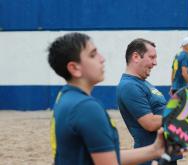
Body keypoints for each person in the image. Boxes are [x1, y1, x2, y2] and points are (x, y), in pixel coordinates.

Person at [48, 32, 165, 165]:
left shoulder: (65, 98)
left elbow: (103, 157)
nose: (102, 58)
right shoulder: (86, 108)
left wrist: (155, 150)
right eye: (93, 55)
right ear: (74, 68)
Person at [116, 38, 181, 165]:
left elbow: (160, 111)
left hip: (165, 154)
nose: (155, 63)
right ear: (136, 57)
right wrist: (179, 112)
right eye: (151, 57)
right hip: (150, 158)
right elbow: (149, 123)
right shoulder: (129, 86)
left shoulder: (143, 83)